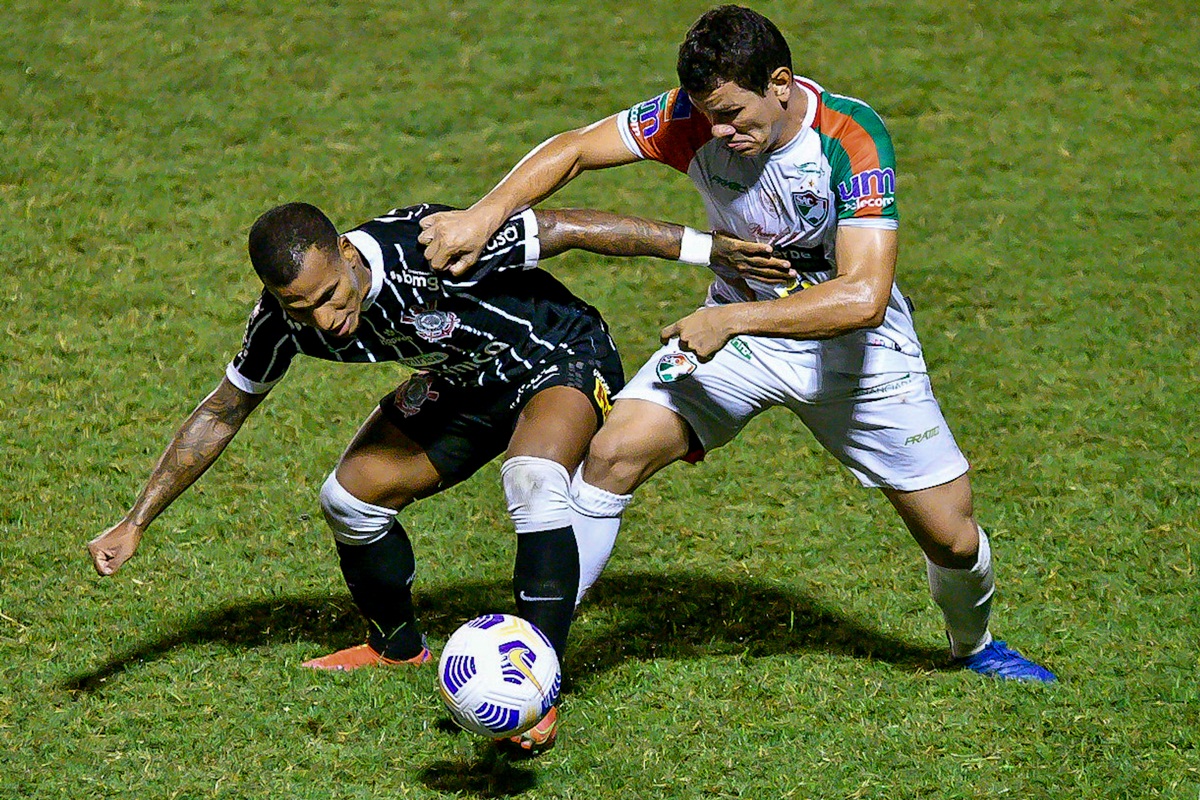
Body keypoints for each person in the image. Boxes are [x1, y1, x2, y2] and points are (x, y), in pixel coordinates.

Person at [418, 5, 1056, 682]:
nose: (717, 131)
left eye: (731, 115)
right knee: (611, 454)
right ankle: (530, 657)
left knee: (952, 539)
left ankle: (974, 646)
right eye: (706, 115)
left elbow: (863, 298)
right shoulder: (694, 117)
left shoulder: (849, 136)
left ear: (780, 83)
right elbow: (575, 147)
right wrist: (483, 214)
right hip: (736, 339)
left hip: (854, 356)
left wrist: (731, 322)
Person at [88, 200, 777, 754]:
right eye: (299, 307)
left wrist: (705, 248)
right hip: (464, 383)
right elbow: (222, 411)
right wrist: (137, 519)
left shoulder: (430, 247)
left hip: (557, 354)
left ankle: (538, 689)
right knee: (348, 500)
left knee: (533, 478)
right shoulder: (284, 322)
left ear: (346, 254)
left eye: (329, 295)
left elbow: (565, 227)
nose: (324, 319)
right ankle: (396, 647)